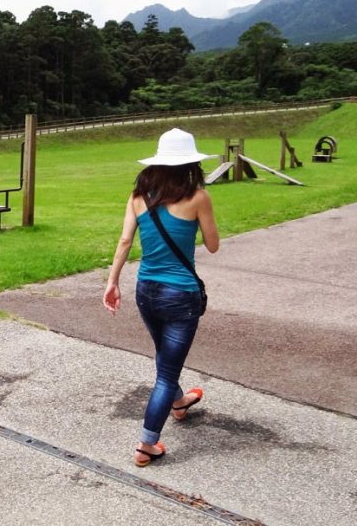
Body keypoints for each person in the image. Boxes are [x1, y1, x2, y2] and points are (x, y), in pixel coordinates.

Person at [103, 127, 220, 467]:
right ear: (191, 164)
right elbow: (213, 246)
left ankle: (180, 402)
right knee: (165, 374)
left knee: (165, 356)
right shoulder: (198, 197)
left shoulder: (138, 196)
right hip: (179, 295)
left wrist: (112, 282)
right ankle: (146, 445)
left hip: (146, 291)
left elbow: (125, 242)